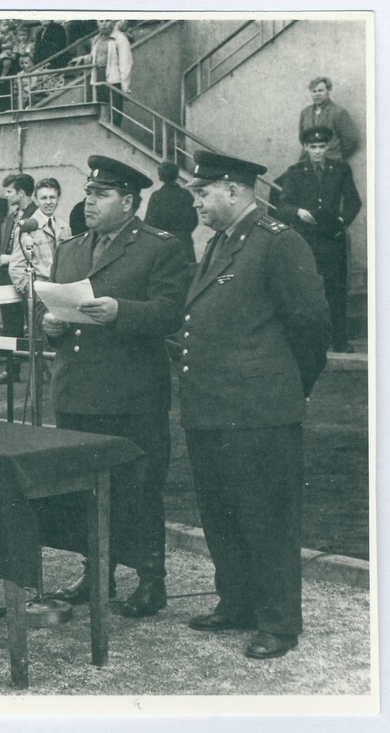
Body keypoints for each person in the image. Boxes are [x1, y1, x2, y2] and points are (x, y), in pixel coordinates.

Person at [182, 150, 331, 659]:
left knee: (266, 517)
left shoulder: (277, 242)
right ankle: (237, 603)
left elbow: (312, 326)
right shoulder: (221, 243)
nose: (196, 200)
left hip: (260, 411)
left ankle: (279, 622)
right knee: (222, 514)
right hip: (212, 407)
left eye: (203, 192)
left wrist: (287, 386)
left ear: (235, 190)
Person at [41, 155, 189, 619]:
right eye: (88, 193)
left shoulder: (160, 247)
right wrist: (50, 325)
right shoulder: (71, 248)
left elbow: (171, 312)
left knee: (138, 487)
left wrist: (121, 311)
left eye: (101, 195)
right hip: (77, 391)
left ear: (128, 201)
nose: (90, 201)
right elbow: (54, 310)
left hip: (131, 395)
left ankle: (150, 579)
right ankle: (96, 572)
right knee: (85, 488)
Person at [273, 126, 361, 353]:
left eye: (322, 147)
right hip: (306, 241)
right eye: (313, 147)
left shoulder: (340, 169)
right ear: (306, 148)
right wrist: (297, 212)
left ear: (327, 147)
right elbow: (282, 205)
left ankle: (340, 341)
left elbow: (354, 201)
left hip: (332, 239)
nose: (318, 151)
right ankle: (308, 342)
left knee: (336, 291)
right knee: (306, 291)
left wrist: (342, 221)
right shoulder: (294, 172)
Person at [0, 173, 37, 385]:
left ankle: (41, 370)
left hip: (28, 276)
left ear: (21, 193)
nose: (6, 196)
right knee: (11, 324)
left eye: (9, 192)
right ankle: (12, 370)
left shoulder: (38, 215)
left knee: (35, 324)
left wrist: (13, 258)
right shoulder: (11, 217)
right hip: (7, 276)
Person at [7, 177, 70, 296]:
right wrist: (32, 292)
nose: (48, 202)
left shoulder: (64, 227)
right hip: (39, 296)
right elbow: (16, 267)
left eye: (52, 197)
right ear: (36, 200)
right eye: (43, 198)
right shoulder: (28, 227)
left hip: (61, 292)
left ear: (58, 198)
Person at [69, 20, 132, 127]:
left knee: (115, 114)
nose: (103, 24)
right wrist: (83, 59)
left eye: (107, 21)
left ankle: (114, 136)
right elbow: (95, 56)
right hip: (98, 77)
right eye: (101, 21)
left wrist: (124, 86)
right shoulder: (97, 39)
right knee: (101, 111)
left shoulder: (120, 39)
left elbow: (126, 63)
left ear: (112, 22)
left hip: (113, 80)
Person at [144, 161, 199, 264]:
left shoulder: (156, 196)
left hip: (162, 244)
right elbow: (194, 221)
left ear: (160, 176)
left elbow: (148, 223)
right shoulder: (186, 194)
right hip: (184, 244)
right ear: (177, 175)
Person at [298, 76, 359, 161]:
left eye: (320, 90)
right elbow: (302, 137)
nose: (317, 94)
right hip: (308, 161)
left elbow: (351, 139)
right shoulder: (305, 112)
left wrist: (335, 154)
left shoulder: (338, 112)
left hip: (331, 161)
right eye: (314, 91)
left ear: (328, 91)